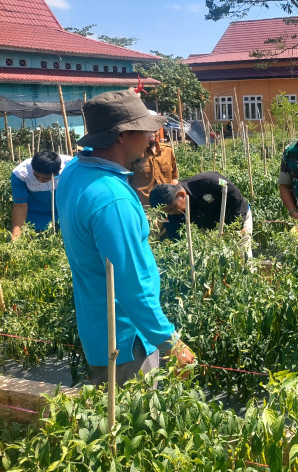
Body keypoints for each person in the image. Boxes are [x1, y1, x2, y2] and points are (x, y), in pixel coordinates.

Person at [56, 90, 194, 386]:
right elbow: (132, 284)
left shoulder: (73, 172)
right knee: (136, 423)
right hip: (128, 338)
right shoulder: (112, 199)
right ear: (122, 135)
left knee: (114, 419)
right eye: (144, 129)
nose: (150, 136)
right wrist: (170, 342)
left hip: (97, 325)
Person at [150, 172, 252, 257]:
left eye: (172, 209)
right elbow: (175, 234)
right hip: (209, 225)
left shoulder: (209, 182)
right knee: (213, 259)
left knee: (242, 256)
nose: (171, 213)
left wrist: (238, 226)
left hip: (236, 216)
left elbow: (236, 199)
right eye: (167, 212)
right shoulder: (172, 211)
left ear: (181, 195)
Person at [10, 150, 71, 240]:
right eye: (36, 176)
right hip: (36, 213)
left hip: (64, 210)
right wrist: (15, 238)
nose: (40, 181)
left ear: (57, 171)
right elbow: (20, 206)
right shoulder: (20, 173)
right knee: (35, 236)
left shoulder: (70, 167)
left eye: (46, 178)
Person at [129, 115, 179, 207]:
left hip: (166, 206)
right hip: (144, 207)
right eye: (147, 130)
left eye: (154, 130)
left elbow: (174, 178)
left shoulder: (167, 151)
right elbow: (127, 181)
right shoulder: (135, 154)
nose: (151, 134)